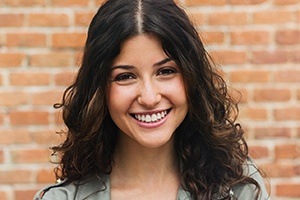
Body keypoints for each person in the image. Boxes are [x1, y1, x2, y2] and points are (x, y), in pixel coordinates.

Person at [34, 0, 270, 199]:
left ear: (192, 77)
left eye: (166, 71)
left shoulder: (239, 188)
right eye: (125, 76)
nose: (149, 97)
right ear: (98, 90)